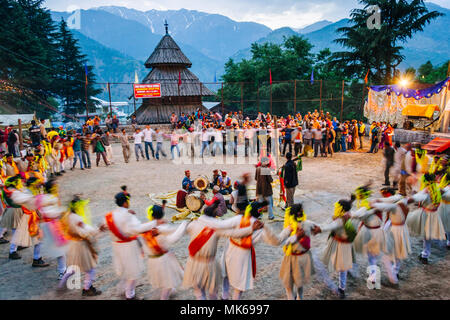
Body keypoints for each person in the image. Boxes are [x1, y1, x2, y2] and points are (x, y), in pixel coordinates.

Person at [183, 202, 263, 300]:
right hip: (209, 264)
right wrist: (251, 229)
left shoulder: (193, 224)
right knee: (213, 292)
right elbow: (234, 233)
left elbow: (176, 233)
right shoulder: (217, 229)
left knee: (199, 292)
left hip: (194, 263)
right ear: (214, 215)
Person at [104, 186, 158, 300]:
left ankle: (124, 289)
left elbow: (103, 226)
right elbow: (137, 229)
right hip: (128, 246)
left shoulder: (110, 215)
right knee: (133, 271)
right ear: (124, 203)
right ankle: (130, 294)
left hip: (116, 246)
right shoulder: (127, 215)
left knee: (124, 269)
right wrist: (153, 223)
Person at [58, 195, 106, 296]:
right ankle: (87, 288)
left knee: (72, 268)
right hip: (80, 245)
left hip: (71, 244)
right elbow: (86, 231)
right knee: (90, 268)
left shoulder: (67, 215)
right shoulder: (77, 218)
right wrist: (98, 230)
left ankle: (61, 285)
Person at [313, 197, 357, 299]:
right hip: (345, 245)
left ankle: (340, 289)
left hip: (340, 245)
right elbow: (328, 223)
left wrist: (319, 229)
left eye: (337, 207)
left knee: (338, 267)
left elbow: (329, 226)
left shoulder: (340, 220)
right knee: (343, 267)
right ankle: (342, 287)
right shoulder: (351, 215)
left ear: (341, 209)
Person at [143, 204, 188, 300]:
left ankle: (168, 292)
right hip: (162, 260)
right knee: (168, 282)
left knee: (162, 280)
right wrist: (184, 224)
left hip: (152, 259)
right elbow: (173, 238)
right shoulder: (161, 229)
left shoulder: (147, 227)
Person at [371, 188, 412, 285]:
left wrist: (373, 204)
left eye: (385, 196)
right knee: (398, 252)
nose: (384, 197)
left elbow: (384, 210)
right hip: (402, 229)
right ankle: (396, 272)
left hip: (395, 230)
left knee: (388, 255)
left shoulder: (394, 206)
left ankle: (393, 278)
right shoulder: (403, 201)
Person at [406, 173, 446, 264]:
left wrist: (406, 200)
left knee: (426, 236)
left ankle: (425, 255)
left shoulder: (427, 190)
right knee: (428, 235)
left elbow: (416, 198)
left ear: (426, 181)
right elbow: (444, 193)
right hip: (435, 214)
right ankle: (425, 254)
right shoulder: (437, 188)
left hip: (426, 214)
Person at [280, 203, 316, 300]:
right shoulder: (306, 224)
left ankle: (296, 297)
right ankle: (299, 297)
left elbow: (282, 240)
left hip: (294, 258)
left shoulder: (292, 227)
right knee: (298, 282)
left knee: (290, 285)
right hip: (302, 257)